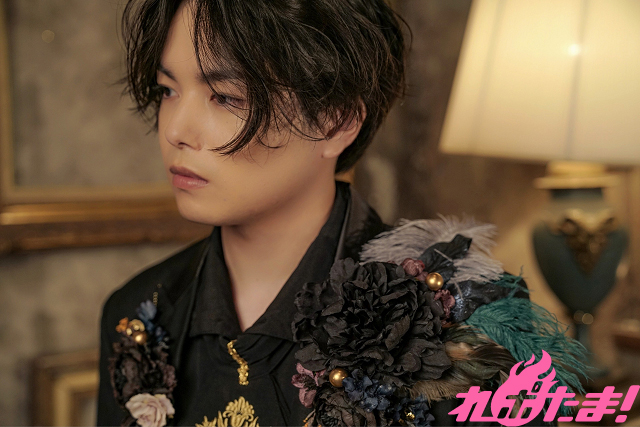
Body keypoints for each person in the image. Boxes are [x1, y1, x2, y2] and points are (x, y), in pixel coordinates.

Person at [98, 1, 582, 426]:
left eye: (226, 97)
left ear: (336, 120)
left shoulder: (462, 321)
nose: (176, 130)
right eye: (168, 90)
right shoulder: (139, 311)